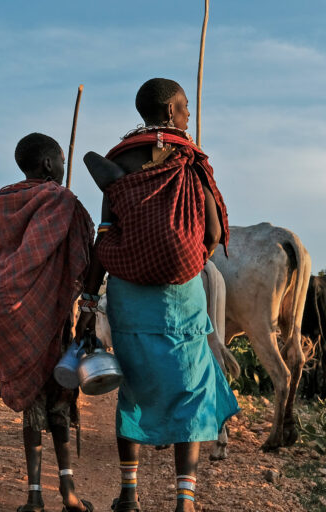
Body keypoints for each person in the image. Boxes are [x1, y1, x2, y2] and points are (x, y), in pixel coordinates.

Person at [75, 78, 240, 512]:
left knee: (133, 388)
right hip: (180, 296)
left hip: (129, 295)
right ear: (169, 111)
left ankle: (128, 496)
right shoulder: (189, 161)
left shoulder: (118, 161)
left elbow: (104, 236)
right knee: (192, 388)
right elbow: (215, 232)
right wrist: (182, 260)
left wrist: (89, 304)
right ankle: (184, 501)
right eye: (185, 107)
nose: (188, 114)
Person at [0, 133, 95, 512]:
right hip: (50, 312)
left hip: (5, 308)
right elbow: (84, 253)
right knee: (59, 397)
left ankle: (34, 496)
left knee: (31, 397)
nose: (64, 168)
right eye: (61, 161)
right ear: (49, 164)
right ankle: (68, 493)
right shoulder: (61, 200)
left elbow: (0, 255)